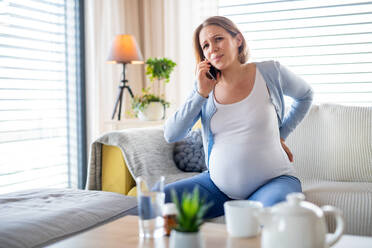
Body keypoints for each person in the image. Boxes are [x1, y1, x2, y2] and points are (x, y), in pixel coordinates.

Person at [163, 16, 313, 219]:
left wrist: (281, 135)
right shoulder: (204, 88)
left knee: (272, 217)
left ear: (238, 39)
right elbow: (172, 134)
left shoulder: (270, 72)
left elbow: (305, 95)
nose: (213, 49)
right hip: (216, 188)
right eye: (205, 45)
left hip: (274, 181)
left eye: (218, 39)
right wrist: (200, 94)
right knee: (157, 202)